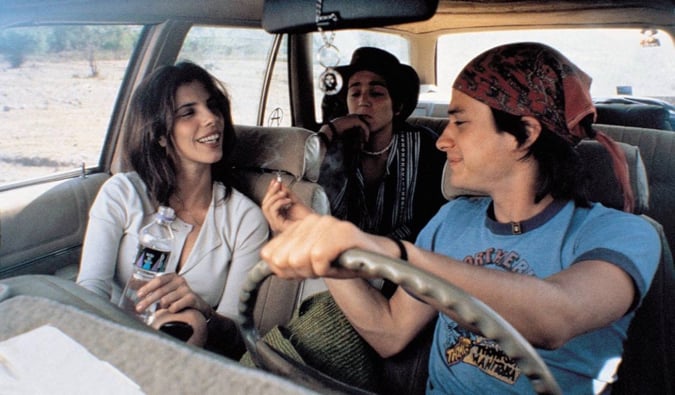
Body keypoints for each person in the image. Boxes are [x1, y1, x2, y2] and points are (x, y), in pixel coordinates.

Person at [259, 43, 661, 393]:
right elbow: (390, 332)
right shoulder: (452, 221)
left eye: (461, 122)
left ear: (524, 132)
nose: (445, 139)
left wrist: (387, 251)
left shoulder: (621, 233)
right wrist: (326, 248)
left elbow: (555, 317)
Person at [77, 62, 268, 356]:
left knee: (186, 321)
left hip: (191, 360)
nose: (211, 119)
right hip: (108, 340)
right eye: (188, 113)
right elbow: (91, 290)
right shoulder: (122, 194)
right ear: (161, 134)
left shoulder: (245, 220)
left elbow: (238, 336)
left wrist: (203, 311)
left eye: (212, 106)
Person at [265, 47, 446, 244]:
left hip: (406, 259)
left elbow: (434, 218)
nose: (363, 101)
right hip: (338, 254)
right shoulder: (333, 146)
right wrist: (329, 131)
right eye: (355, 93)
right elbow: (302, 182)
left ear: (398, 107)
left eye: (376, 93)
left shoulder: (423, 145)